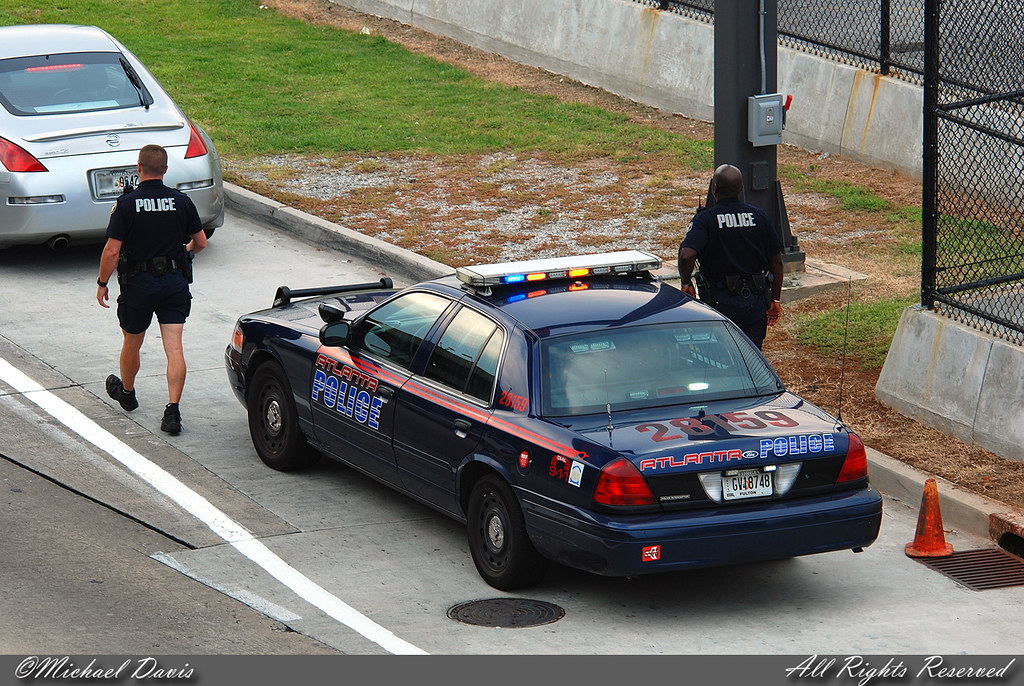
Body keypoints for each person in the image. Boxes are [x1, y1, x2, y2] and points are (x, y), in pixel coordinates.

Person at [95, 144, 208, 435]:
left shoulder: (128, 204)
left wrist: (102, 282)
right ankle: (172, 412)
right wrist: (185, 250)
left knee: (132, 342)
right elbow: (202, 242)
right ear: (165, 170)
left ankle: (128, 393)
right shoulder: (181, 201)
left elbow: (111, 250)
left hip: (139, 284)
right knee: (174, 348)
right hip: (173, 282)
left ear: (139, 168)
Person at [677, 164, 784, 349]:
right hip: (755, 300)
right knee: (751, 357)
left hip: (720, 301)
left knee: (722, 356)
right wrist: (775, 299)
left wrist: (686, 284)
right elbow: (777, 261)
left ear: (714, 187)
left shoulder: (706, 220)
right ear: (741, 188)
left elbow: (686, 256)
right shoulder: (760, 217)